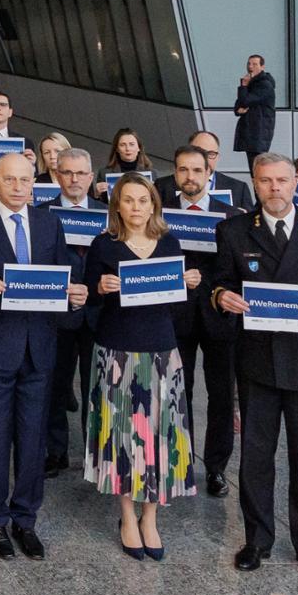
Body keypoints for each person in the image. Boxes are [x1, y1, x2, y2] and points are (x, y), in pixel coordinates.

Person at [211, 153, 298, 583]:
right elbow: (221, 282)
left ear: (296, 184)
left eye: (282, 181)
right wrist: (221, 297)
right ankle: (257, 539)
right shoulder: (234, 230)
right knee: (256, 458)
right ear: (254, 184)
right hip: (257, 361)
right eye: (266, 181)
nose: (274, 188)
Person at [0, 152, 88, 561]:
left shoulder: (50, 222)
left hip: (40, 346)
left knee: (33, 440)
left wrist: (75, 294)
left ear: (35, 182)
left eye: (25, 181)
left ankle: (25, 519)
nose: (18, 187)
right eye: (9, 180)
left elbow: (62, 277)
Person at [83, 174, 202, 561]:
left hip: (161, 350)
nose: (136, 207)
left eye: (143, 200)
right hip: (117, 350)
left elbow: (174, 301)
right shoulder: (103, 245)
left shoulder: (169, 243)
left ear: (154, 205)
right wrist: (100, 288)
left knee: (160, 435)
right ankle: (127, 516)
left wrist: (188, 282)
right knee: (122, 436)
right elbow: (88, 298)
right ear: (117, 205)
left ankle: (151, 516)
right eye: (128, 200)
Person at [161, 145, 242, 498]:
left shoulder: (231, 216)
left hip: (220, 316)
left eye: (197, 170)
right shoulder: (159, 217)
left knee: (221, 394)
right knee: (178, 392)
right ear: (175, 174)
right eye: (183, 170)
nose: (190, 177)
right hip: (176, 314)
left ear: (209, 172)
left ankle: (216, 468)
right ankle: (182, 462)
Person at [40, 148, 102, 479]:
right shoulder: (41, 215)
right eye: (67, 172)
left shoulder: (111, 215)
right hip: (57, 314)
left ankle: (94, 454)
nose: (74, 179)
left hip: (98, 315)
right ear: (57, 176)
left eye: (80, 173)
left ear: (91, 177)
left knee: (97, 388)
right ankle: (55, 451)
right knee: (55, 386)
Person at [233, 55, 275, 165]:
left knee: (257, 165)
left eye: (255, 64)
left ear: (262, 66)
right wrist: (238, 110)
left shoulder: (264, 84)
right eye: (249, 63)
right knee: (253, 164)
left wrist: (244, 86)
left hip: (259, 131)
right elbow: (238, 104)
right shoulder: (252, 83)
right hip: (252, 131)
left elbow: (245, 101)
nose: (250, 66)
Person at [95, 128, 152, 197]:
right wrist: (96, 194)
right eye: (122, 145)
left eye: (131, 144)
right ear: (117, 149)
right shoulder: (104, 173)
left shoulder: (152, 173)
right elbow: (98, 204)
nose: (127, 149)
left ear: (139, 148)